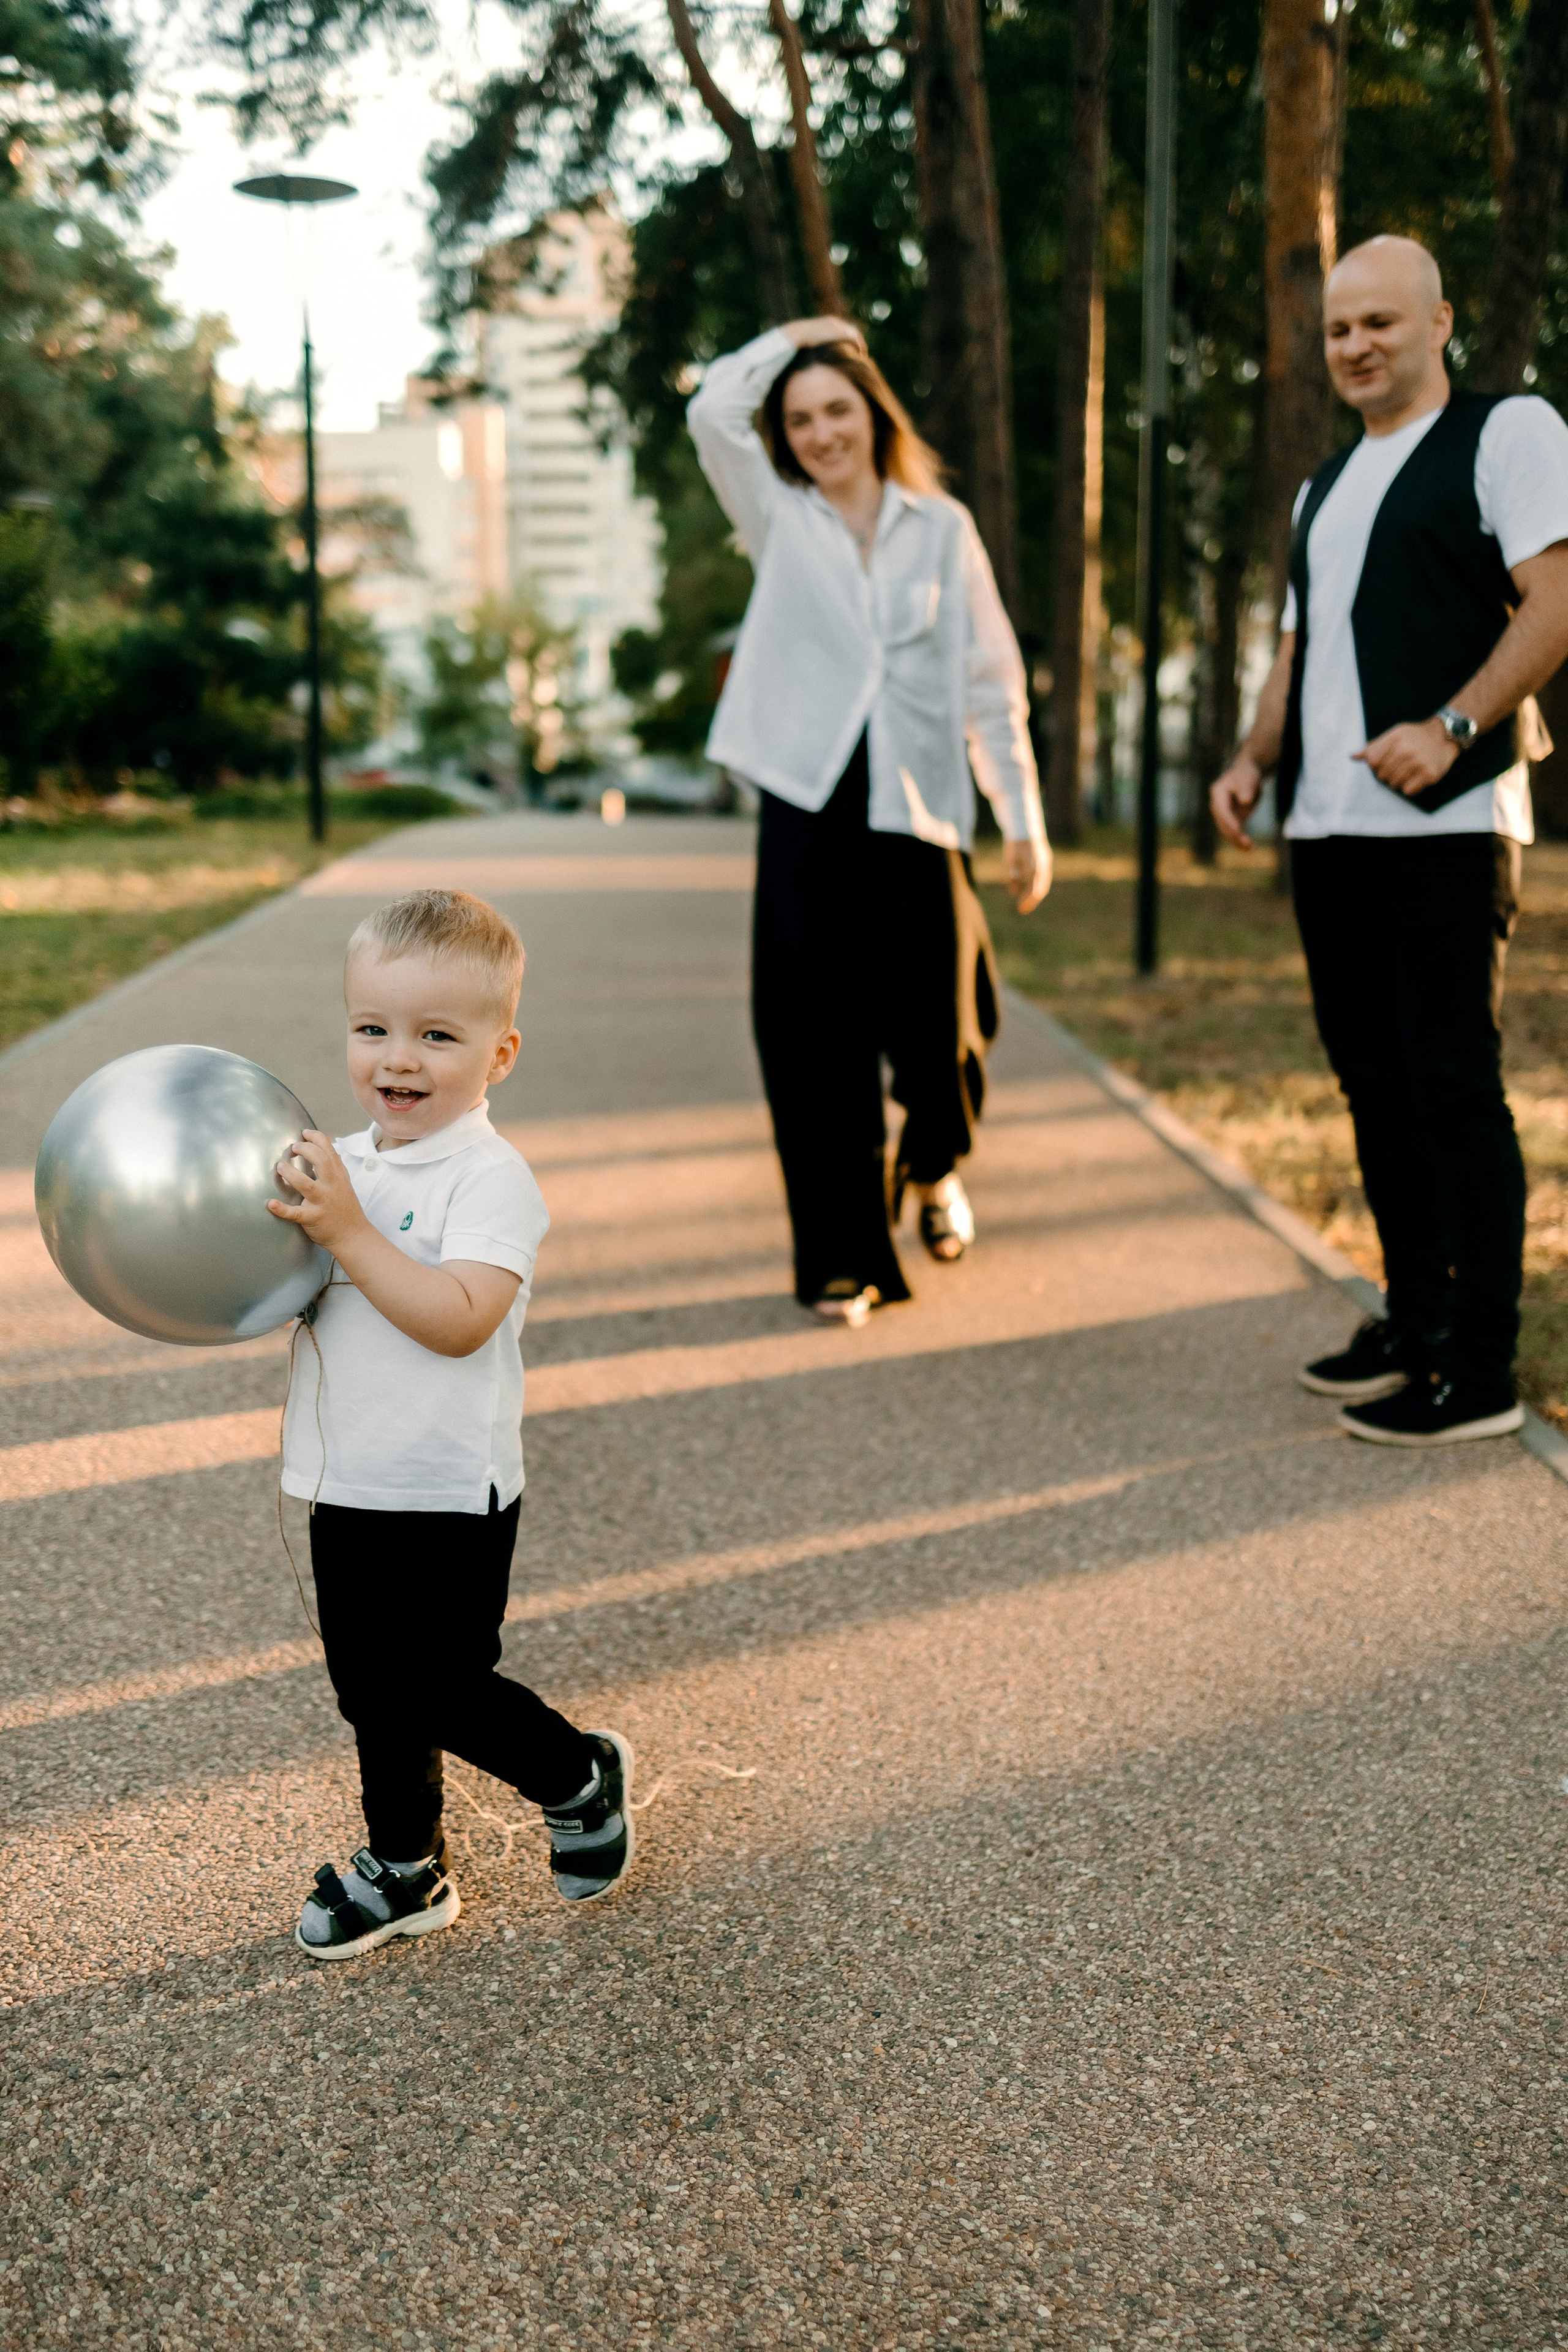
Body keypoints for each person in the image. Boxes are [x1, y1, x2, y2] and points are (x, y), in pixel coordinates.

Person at [1212, 235, 1568, 1446]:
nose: (1355, 345)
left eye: (1379, 322)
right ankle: (1411, 1322)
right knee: (1371, 1085)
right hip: (1328, 825)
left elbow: (1556, 598)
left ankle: (1477, 1370)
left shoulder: (1505, 434)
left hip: (1447, 820)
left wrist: (1454, 722)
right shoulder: (1320, 487)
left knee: (1450, 1089)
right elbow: (1300, 653)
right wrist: (1254, 759)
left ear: (1435, 323)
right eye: (1336, 329)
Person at [268, 888, 635, 1958]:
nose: (400, 1058)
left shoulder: (491, 1179)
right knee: (370, 1695)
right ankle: (406, 1868)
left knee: (440, 1685)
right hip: (347, 1476)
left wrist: (345, 1230)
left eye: (438, 1035)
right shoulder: (341, 1161)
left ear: (500, 1053)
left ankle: (575, 1776)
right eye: (373, 1028)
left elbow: (461, 1320)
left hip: (445, 1489)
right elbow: (286, 1287)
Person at [688, 317, 1050, 1325]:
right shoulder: (777, 512)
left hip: (920, 803)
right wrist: (802, 336)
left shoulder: (941, 528)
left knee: (944, 1030)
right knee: (816, 1035)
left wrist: (1022, 814)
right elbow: (712, 409)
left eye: (836, 409)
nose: (818, 433)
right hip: (810, 803)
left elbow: (991, 679)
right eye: (799, 418)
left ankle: (935, 1168)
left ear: (873, 414)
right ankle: (844, 1256)